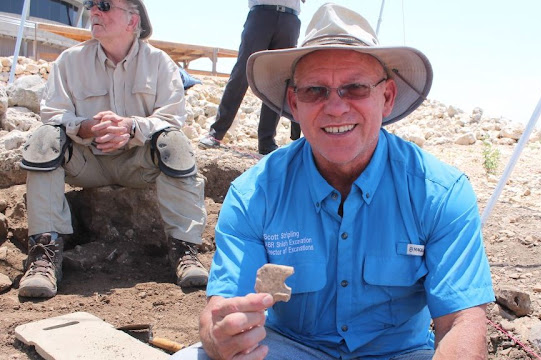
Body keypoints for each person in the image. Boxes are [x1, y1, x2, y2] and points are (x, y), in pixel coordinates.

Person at [174, 3, 495, 359]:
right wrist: (220, 334)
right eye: (315, 91)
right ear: (294, 104)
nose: (336, 107)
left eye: (355, 88)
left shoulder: (439, 193)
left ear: (386, 97)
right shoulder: (254, 194)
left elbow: (463, 322)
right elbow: (224, 306)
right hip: (290, 349)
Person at [17, 0, 209, 298]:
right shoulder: (69, 61)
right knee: (43, 140)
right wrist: (85, 127)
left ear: (133, 21)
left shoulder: (160, 63)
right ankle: (44, 256)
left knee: (176, 143)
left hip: (138, 163)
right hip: (87, 162)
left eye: (104, 5)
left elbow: (172, 118)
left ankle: (185, 251)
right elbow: (53, 114)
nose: (94, 10)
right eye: (91, 4)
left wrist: (131, 127)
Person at [198, 0, 305, 155]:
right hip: (261, 14)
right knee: (242, 72)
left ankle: (267, 143)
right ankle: (216, 133)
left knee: (277, 80)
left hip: (290, 18)